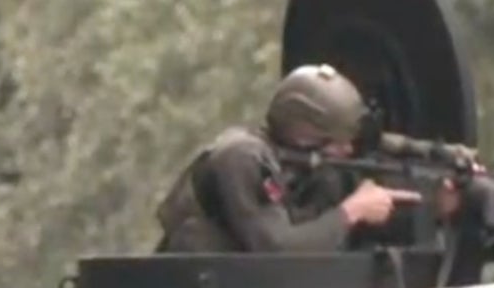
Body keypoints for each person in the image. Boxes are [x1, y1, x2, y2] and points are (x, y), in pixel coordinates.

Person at [155, 64, 424, 254]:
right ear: (305, 134)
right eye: (339, 141)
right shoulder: (241, 157)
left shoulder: (301, 168)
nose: (348, 151)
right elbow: (277, 248)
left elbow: (315, 225)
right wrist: (351, 211)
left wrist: (435, 203)